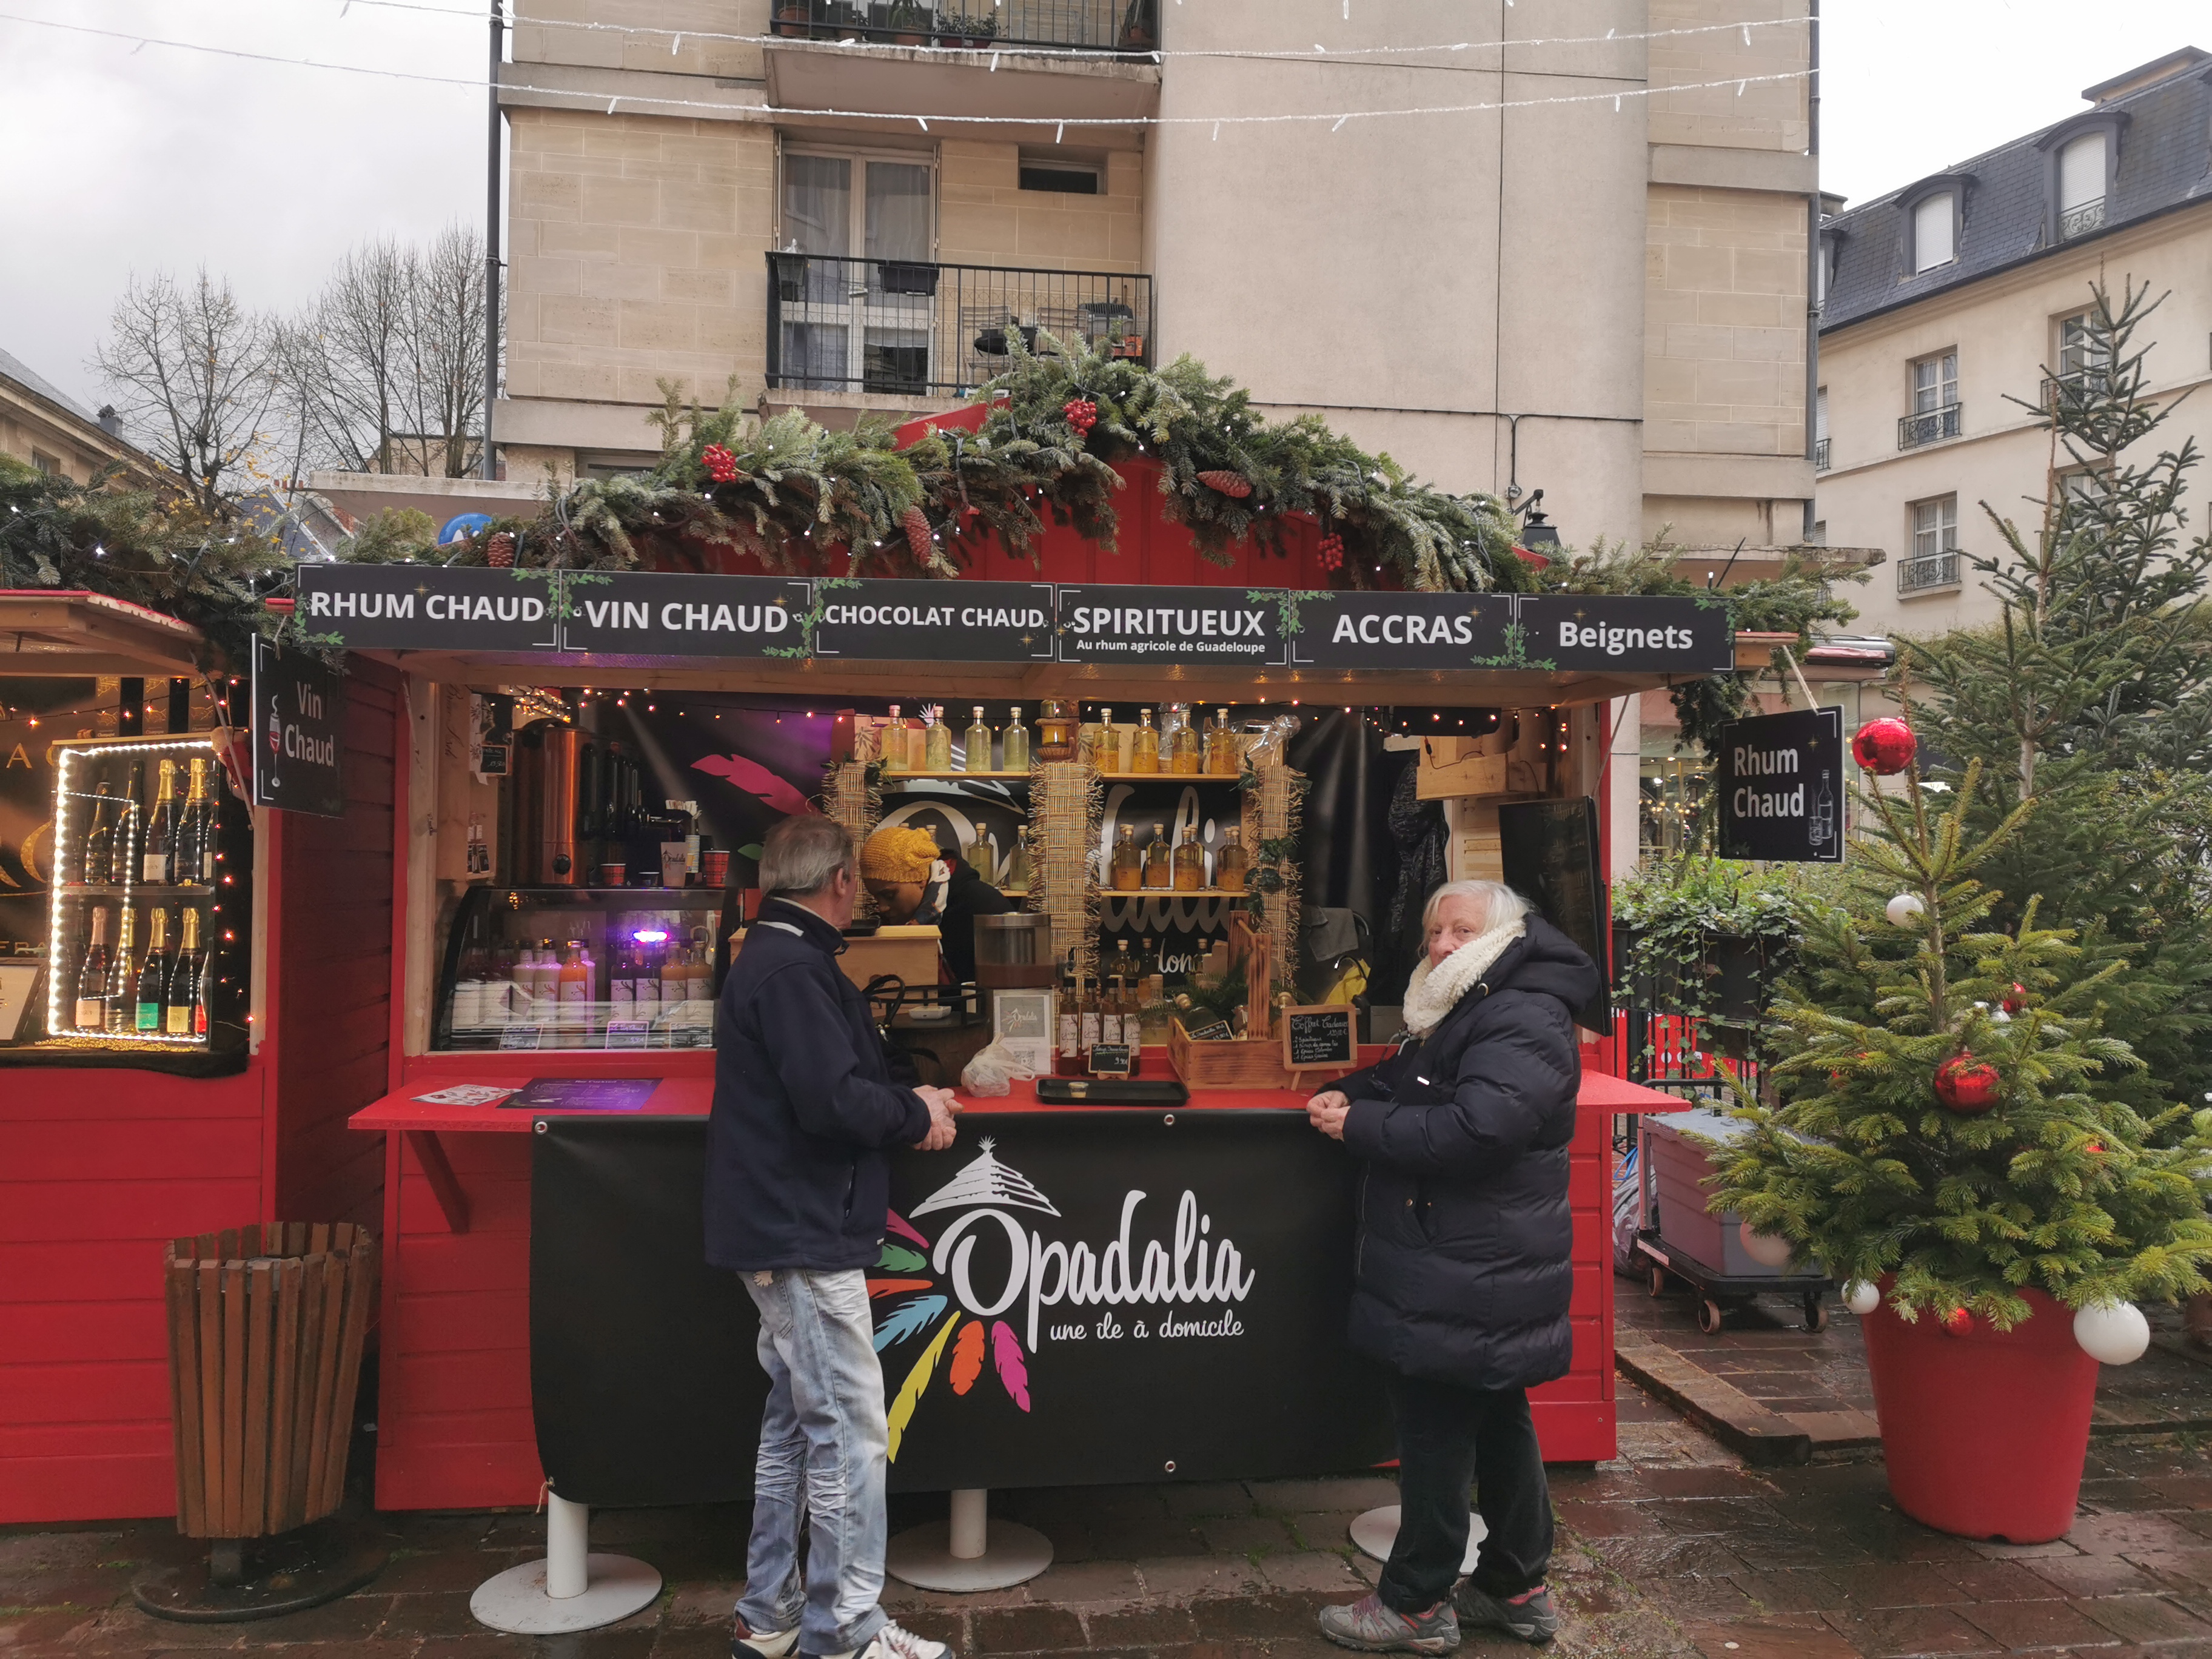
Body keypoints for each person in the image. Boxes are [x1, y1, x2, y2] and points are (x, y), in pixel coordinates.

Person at [1306, 879, 1599, 1653]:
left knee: (1434, 1427)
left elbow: (1479, 1131)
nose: (1441, 945)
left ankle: (1415, 1603)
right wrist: (1346, 1092)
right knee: (1498, 1417)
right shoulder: (1474, 1001)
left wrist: (1360, 1126)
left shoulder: (1520, 1012)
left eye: (1461, 931)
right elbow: (1416, 1082)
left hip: (1468, 1259)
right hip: (1475, 1259)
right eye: (1435, 931)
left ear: (1504, 936)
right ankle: (1516, 1587)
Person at [706, 814, 963, 1659]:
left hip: (785, 1224)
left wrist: (904, 1100)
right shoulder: (791, 968)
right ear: (841, 880)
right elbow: (832, 1101)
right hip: (802, 1229)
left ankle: (770, 1613)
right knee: (850, 1430)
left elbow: (831, 1086)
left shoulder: (777, 954)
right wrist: (914, 1113)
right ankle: (845, 1631)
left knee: (795, 1425)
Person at [859, 822, 1013, 985]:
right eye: (876, 898)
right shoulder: (902, 918)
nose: (882, 908)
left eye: (890, 896)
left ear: (921, 879)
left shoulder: (982, 908)